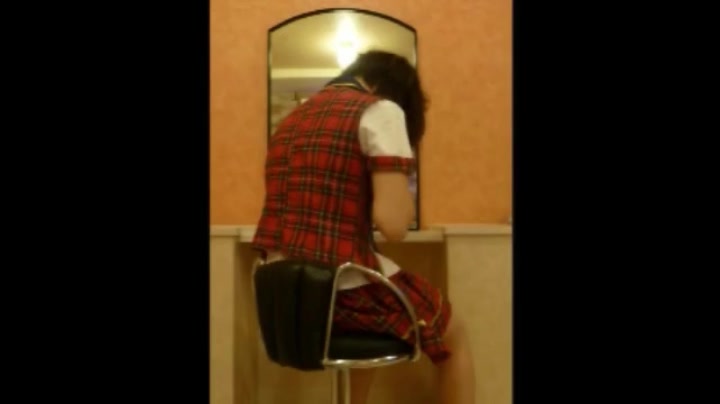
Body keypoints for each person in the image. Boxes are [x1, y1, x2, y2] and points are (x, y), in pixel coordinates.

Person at [252, 50, 476, 404]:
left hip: (283, 295)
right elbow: (394, 226)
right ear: (395, 92)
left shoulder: (293, 119)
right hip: (338, 290)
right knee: (454, 331)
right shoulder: (381, 110)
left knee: (371, 290)